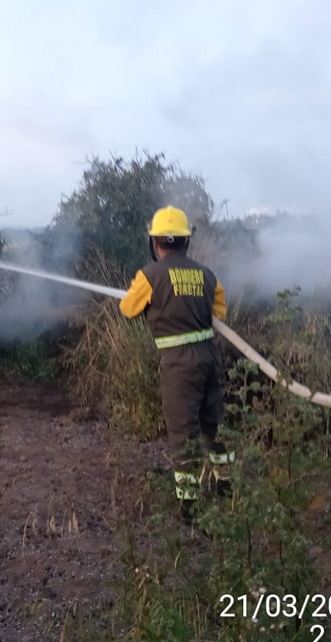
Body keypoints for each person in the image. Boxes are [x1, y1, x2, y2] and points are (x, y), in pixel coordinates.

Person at [118, 205, 230, 516]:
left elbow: (128, 309)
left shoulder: (149, 275)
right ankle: (226, 485)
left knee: (183, 432)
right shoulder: (207, 276)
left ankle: (189, 505)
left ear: (155, 243)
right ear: (186, 242)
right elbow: (219, 312)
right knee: (213, 425)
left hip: (178, 365)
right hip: (209, 357)